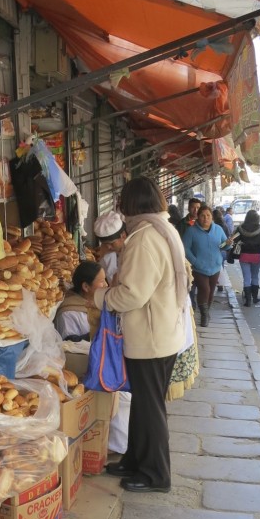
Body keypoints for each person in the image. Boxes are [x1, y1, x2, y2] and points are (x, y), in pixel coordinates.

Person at [97, 177, 188, 494]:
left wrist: (101, 299)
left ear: (131, 204)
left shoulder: (144, 237)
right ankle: (134, 460)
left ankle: (155, 474)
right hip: (161, 333)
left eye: (122, 203)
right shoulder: (163, 228)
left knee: (150, 407)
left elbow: (132, 294)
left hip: (151, 338)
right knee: (144, 404)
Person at [182, 204, 228, 327]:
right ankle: (203, 315)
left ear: (212, 217)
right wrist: (195, 261)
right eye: (202, 216)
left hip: (215, 267)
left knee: (211, 291)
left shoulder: (218, 229)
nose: (205, 218)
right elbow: (185, 248)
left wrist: (228, 244)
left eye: (208, 215)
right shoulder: (191, 231)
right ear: (198, 217)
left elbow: (223, 246)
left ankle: (206, 312)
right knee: (204, 289)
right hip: (199, 268)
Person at [54, 260, 107, 341]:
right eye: (102, 281)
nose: (106, 285)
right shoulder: (68, 313)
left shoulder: (101, 305)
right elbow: (68, 343)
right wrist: (100, 333)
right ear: (86, 287)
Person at [233, 207, 260, 306]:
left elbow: (234, 240)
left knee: (246, 277)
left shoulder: (240, 228)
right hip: (256, 256)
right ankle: (255, 298)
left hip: (244, 255)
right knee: (255, 276)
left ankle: (247, 300)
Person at [93, 211, 126, 281]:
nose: (108, 247)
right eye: (104, 244)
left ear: (123, 235)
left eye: (111, 243)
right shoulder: (107, 253)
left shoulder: (135, 248)